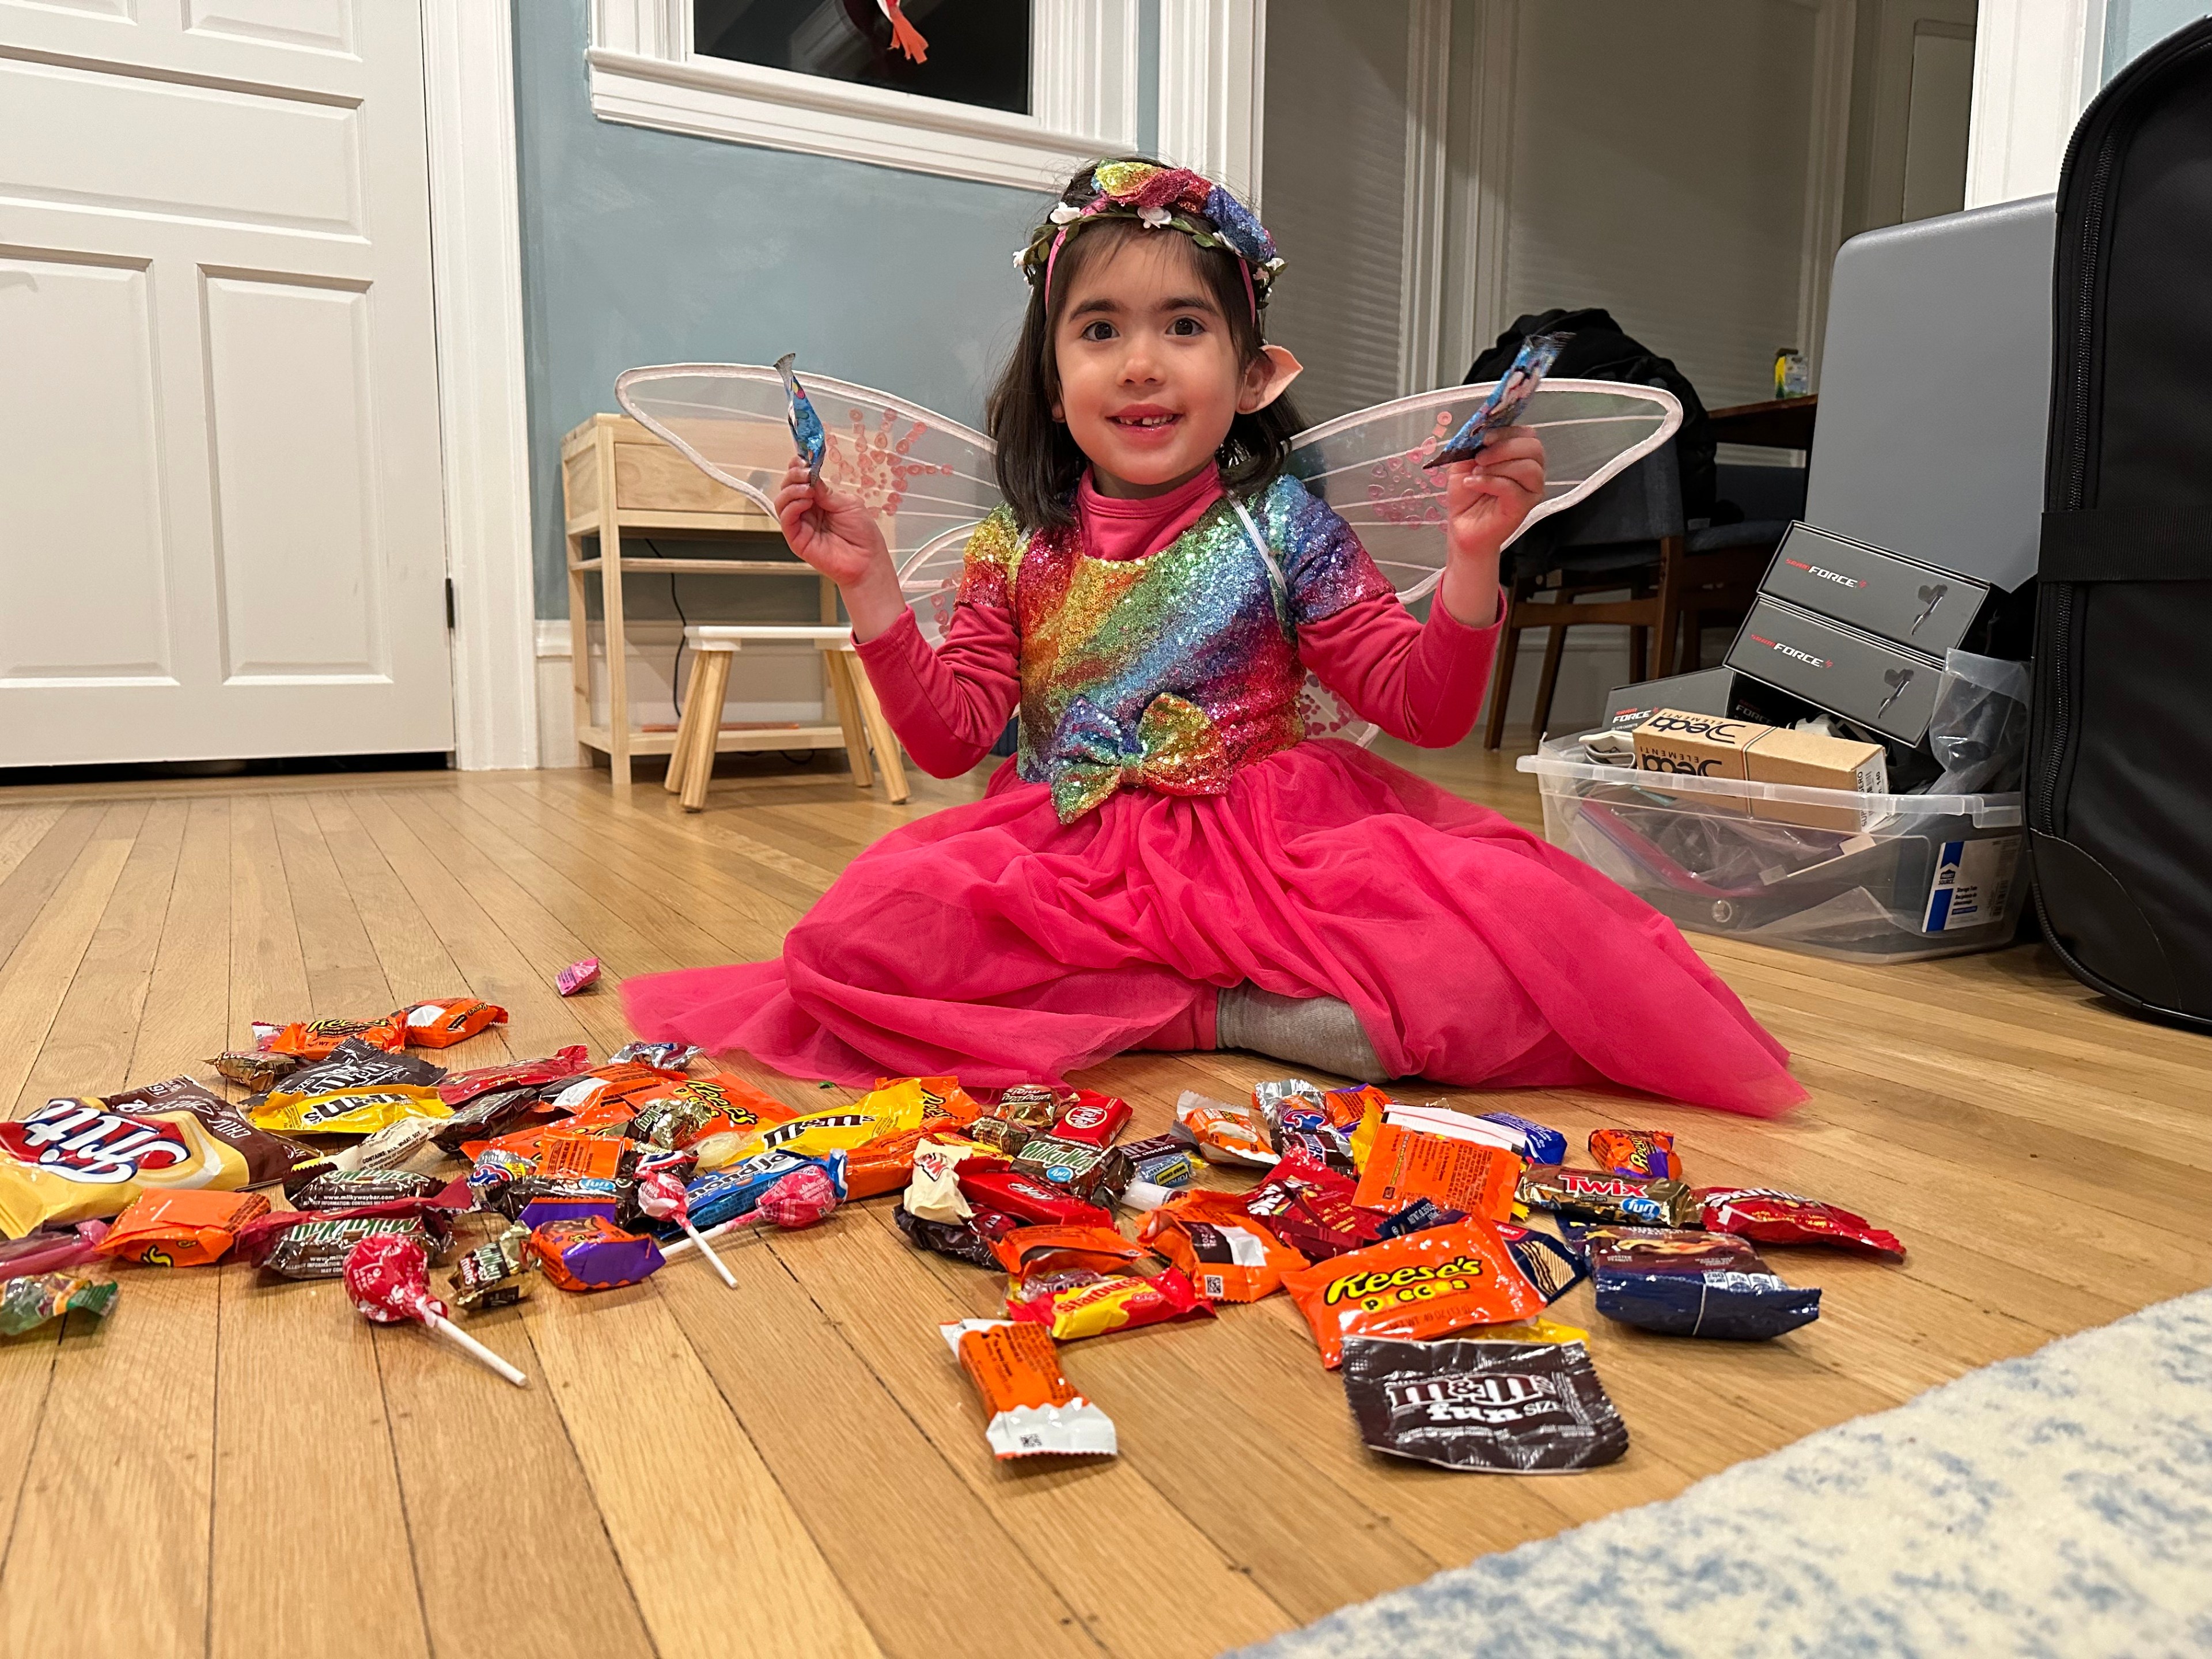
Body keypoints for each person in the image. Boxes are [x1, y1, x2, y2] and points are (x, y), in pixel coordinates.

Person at [623, 158, 1804, 1116]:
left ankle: (1193, 1006)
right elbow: (951, 743)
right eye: (1099, 331)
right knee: (851, 949)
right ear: (1052, 381)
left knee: (1478, 982)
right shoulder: (1012, 549)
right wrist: (872, 584)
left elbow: (1425, 711)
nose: (1141, 362)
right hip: (1071, 844)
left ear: (1252, 376)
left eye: (1184, 325)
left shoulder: (1286, 527)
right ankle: (1208, 1009)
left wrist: (1472, 565)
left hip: (1273, 846)